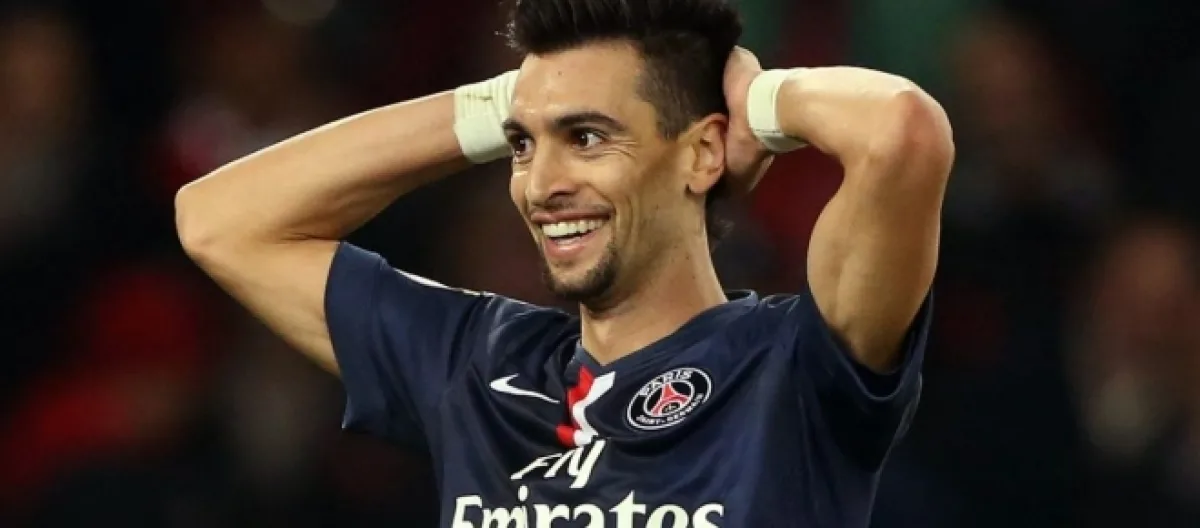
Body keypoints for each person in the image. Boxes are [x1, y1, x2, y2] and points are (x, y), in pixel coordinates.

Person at [175, 0, 954, 525]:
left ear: (703, 152)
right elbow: (219, 220)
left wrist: (757, 102)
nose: (541, 184)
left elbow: (902, 131)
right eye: (522, 146)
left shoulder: (793, 366)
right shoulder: (476, 365)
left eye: (585, 138)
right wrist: (503, 104)